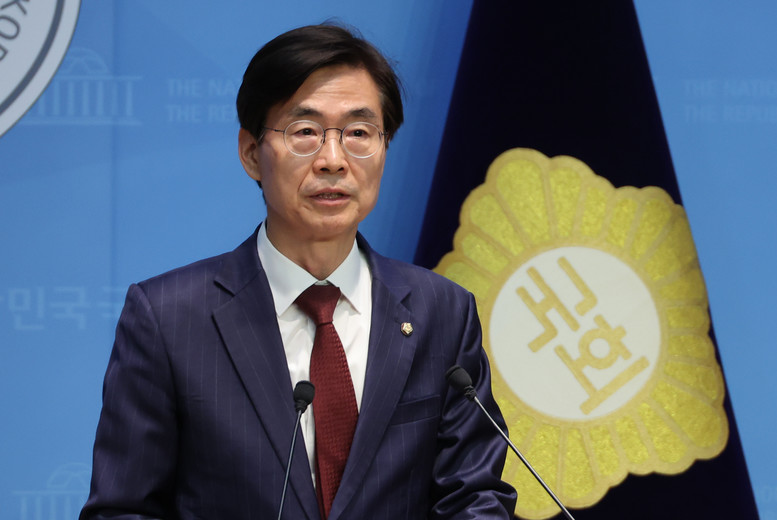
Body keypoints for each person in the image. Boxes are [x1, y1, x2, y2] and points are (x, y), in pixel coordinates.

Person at [80, 23, 517, 520]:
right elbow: (124, 509)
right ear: (251, 153)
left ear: (384, 149)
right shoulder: (169, 318)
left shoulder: (442, 311)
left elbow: (474, 495)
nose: (333, 160)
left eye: (358, 133)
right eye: (305, 132)